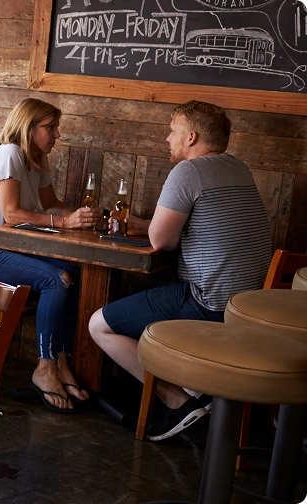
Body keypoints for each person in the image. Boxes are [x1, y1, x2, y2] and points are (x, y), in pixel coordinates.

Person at [89, 100, 271, 441]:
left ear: (191, 137)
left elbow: (162, 241)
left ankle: (179, 403)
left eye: (172, 132)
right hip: (246, 309)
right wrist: (138, 224)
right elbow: (176, 226)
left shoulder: (188, 172)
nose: (166, 138)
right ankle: (201, 394)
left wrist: (149, 229)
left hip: (208, 304)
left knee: (99, 325)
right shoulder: (236, 168)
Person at [0, 98, 100, 413]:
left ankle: (61, 361)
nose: (57, 134)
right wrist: (65, 222)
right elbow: (11, 214)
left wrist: (86, 218)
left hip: (8, 249)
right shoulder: (10, 153)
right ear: (29, 127)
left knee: (73, 272)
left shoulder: (35, 160)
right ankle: (45, 366)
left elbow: (52, 204)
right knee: (57, 279)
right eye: (50, 127)